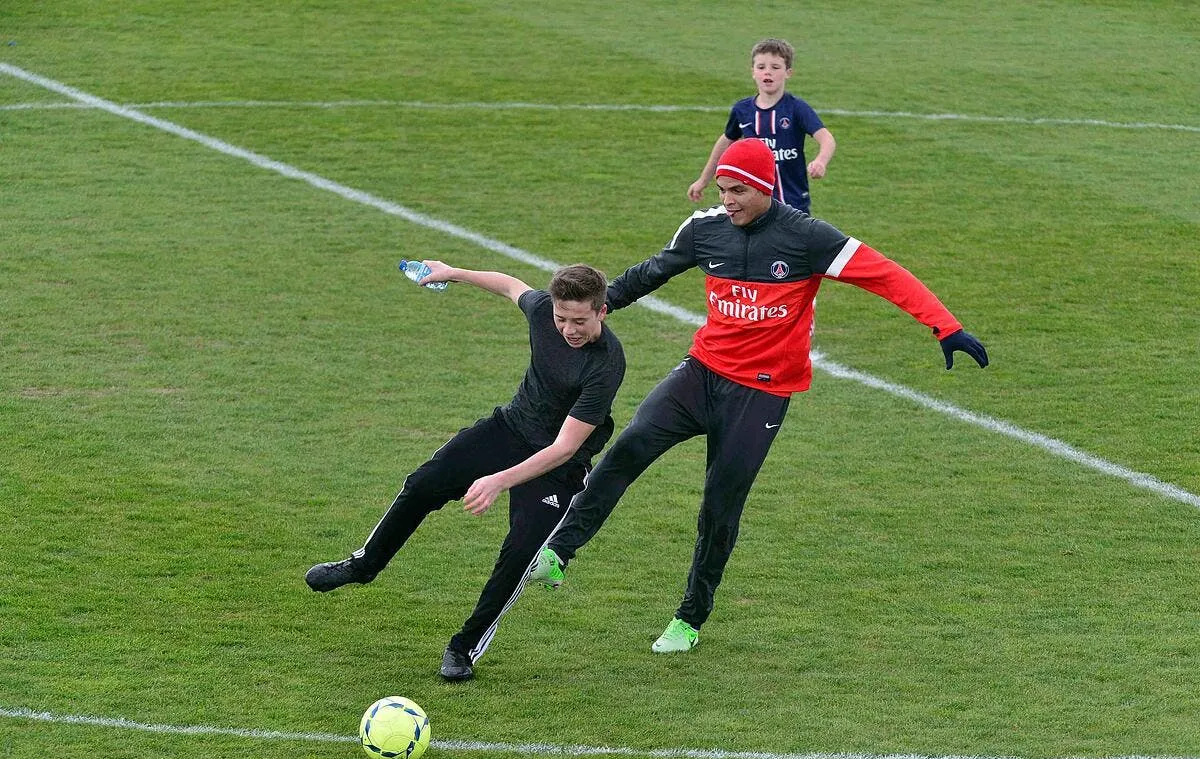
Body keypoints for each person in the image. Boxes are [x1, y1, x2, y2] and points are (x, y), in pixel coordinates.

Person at [531, 137, 987, 654]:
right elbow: (649, 273)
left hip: (762, 394)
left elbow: (885, 275)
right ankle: (559, 552)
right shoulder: (706, 232)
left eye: (738, 191)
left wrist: (944, 327)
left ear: (766, 188)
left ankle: (688, 618)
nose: (727, 200)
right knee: (630, 446)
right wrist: (594, 310)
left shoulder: (808, 238)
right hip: (701, 374)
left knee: (719, 506)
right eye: (723, 189)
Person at [306, 261, 625, 681]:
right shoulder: (542, 311)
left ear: (601, 312)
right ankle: (364, 565)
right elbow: (510, 286)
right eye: (561, 318)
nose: (568, 329)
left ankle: (464, 647)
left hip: (557, 467)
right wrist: (451, 271)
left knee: (520, 555)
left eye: (579, 321)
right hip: (508, 429)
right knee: (423, 484)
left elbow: (564, 448)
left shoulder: (606, 364)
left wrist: (499, 480)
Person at [687, 38, 836, 214]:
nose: (768, 72)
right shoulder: (742, 110)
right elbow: (726, 142)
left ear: (788, 72)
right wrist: (703, 180)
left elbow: (827, 138)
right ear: (753, 72)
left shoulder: (796, 108)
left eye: (775, 67)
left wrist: (821, 161)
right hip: (753, 206)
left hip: (793, 204)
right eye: (761, 67)